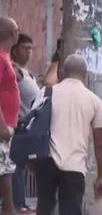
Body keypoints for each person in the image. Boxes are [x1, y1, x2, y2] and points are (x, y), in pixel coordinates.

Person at [33, 54, 102, 214]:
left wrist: (31, 160)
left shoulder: (46, 92)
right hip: (75, 167)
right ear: (85, 75)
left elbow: (34, 127)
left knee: (44, 207)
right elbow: (100, 144)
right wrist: (101, 176)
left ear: (62, 71)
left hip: (47, 161)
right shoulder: (94, 100)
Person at [10, 33, 38, 214]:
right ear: (15, 50)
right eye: (24, 48)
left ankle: (21, 202)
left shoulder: (28, 72)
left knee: (22, 168)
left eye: (30, 48)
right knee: (16, 168)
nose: (28, 52)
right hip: (18, 125)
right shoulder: (14, 70)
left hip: (29, 126)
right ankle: (16, 204)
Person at [0, 16, 20, 215]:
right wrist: (2, 127)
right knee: (4, 167)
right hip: (2, 123)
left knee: (5, 166)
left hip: (8, 122)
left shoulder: (5, 56)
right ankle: (9, 209)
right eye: (16, 29)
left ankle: (8, 208)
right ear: (11, 34)